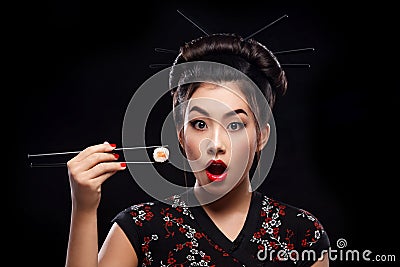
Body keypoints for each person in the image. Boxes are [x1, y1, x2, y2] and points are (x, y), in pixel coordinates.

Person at [65, 33, 330, 267]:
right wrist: (84, 208)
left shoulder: (302, 233)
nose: (215, 143)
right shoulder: (140, 228)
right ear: (180, 136)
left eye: (235, 124)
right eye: (200, 124)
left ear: (261, 136)